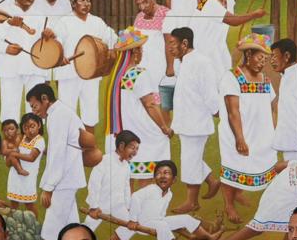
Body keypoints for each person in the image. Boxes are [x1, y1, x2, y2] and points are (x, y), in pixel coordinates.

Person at [219, 140, 297, 240]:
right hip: (277, 204)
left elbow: (277, 168)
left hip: (271, 196)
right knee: (258, 227)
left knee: (262, 225)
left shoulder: (295, 163)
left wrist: (284, 186)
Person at [218, 33, 278, 223]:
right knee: (235, 164)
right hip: (238, 131)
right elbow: (232, 111)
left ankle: (241, 193)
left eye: (265, 59)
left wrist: (275, 130)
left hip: (260, 133)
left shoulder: (264, 78)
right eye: (259, 58)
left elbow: (273, 104)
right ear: (249, 54)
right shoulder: (232, 77)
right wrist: (239, 138)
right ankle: (228, 203)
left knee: (259, 164)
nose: (262, 63)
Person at [29, 83, 88, 240]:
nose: (34, 110)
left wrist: (48, 187)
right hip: (68, 174)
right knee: (71, 221)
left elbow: (57, 154)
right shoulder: (57, 114)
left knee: (54, 217)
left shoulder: (58, 116)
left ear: (45, 99)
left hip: (65, 176)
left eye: (35, 106)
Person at [165, 27, 222, 214]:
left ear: (185, 43)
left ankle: (191, 201)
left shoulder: (202, 63)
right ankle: (212, 181)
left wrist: (217, 111)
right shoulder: (184, 63)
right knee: (191, 159)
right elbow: (183, 96)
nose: (170, 48)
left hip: (197, 122)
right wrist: (174, 124)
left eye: (173, 44)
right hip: (186, 121)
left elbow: (209, 92)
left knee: (190, 161)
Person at [108, 28, 172, 179]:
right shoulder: (138, 73)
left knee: (125, 179)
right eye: (141, 49)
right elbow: (150, 105)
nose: (142, 52)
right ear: (135, 52)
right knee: (160, 140)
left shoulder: (117, 75)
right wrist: (164, 127)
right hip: (138, 128)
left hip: (123, 127)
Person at [56, 0, 117, 129]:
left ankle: (89, 147)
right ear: (73, 3)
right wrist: (60, 57)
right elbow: (57, 41)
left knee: (90, 112)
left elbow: (111, 36)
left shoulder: (97, 21)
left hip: (91, 73)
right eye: (82, 0)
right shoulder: (64, 21)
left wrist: (117, 44)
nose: (86, 4)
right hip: (69, 73)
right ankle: (67, 147)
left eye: (88, 1)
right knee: (66, 111)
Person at [0, 0, 53, 123]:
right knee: (9, 109)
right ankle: (10, 144)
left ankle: (35, 145)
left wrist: (46, 75)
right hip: (11, 68)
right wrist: (8, 26)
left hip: (35, 69)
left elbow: (46, 46)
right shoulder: (3, 11)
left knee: (36, 111)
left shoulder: (41, 15)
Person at [125, 160, 203, 240]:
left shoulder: (169, 194)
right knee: (162, 226)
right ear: (154, 179)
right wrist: (133, 220)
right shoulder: (151, 189)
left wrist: (170, 222)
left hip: (158, 220)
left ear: (174, 180)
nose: (162, 176)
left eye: (166, 173)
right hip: (143, 224)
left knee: (186, 218)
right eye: (158, 173)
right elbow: (135, 197)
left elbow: (162, 213)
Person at [85, 130, 140, 240]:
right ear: (121, 146)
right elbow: (94, 184)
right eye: (132, 148)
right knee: (86, 231)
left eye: (137, 149)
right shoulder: (104, 161)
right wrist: (94, 206)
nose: (135, 152)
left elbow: (126, 187)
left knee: (131, 226)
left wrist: (128, 206)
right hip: (100, 205)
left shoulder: (126, 166)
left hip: (118, 205)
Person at [6, 113, 45, 214]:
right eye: (26, 128)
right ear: (22, 129)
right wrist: (12, 154)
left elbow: (32, 157)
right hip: (15, 175)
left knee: (29, 204)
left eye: (32, 126)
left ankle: (36, 226)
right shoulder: (21, 138)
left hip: (28, 175)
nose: (30, 130)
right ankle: (12, 226)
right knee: (14, 203)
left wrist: (15, 154)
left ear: (39, 125)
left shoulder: (39, 140)